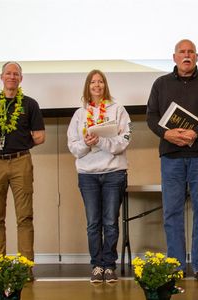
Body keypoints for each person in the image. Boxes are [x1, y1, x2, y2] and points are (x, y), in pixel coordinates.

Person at [146, 39, 198, 282]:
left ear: (197, 57)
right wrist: (165, 133)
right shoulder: (160, 84)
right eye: (182, 52)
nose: (187, 55)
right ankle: (175, 266)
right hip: (171, 156)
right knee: (172, 212)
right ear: (174, 57)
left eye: (191, 52)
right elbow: (151, 116)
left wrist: (196, 132)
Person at [0, 61, 45, 278]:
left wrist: (28, 139)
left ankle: (25, 267)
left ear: (21, 79)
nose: (12, 77)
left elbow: (41, 136)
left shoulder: (30, 104)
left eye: (16, 74)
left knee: (24, 217)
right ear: (1, 77)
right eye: (8, 73)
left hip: (20, 161)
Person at [67, 70, 132, 284]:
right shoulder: (79, 114)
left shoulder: (118, 110)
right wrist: (87, 143)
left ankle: (109, 265)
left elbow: (124, 141)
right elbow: (74, 148)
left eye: (100, 82)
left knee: (110, 222)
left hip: (114, 172)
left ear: (105, 86)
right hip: (88, 175)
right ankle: (97, 265)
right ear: (88, 86)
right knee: (93, 223)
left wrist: (100, 142)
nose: (97, 85)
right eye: (93, 82)